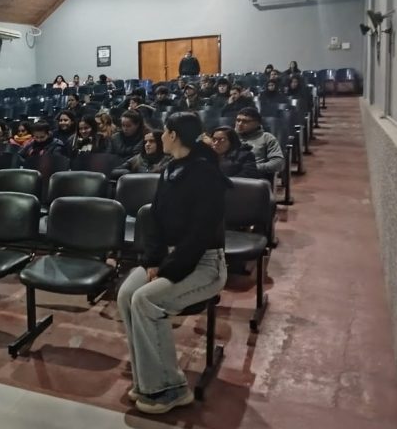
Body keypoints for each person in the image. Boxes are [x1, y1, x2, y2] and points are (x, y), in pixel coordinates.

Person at [116, 111, 230, 415]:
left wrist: (165, 271)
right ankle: (147, 380)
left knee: (145, 300)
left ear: (174, 135)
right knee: (127, 295)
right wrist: (153, 261)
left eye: (164, 132)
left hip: (205, 264)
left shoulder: (205, 175)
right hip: (170, 257)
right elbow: (153, 218)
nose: (159, 136)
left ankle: (171, 389)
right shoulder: (171, 169)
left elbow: (200, 235)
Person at [234, 107, 285, 177]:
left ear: (257, 123)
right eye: (238, 120)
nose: (240, 124)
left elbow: (278, 163)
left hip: (253, 178)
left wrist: (253, 168)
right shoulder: (229, 136)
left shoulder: (267, 138)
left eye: (245, 121)